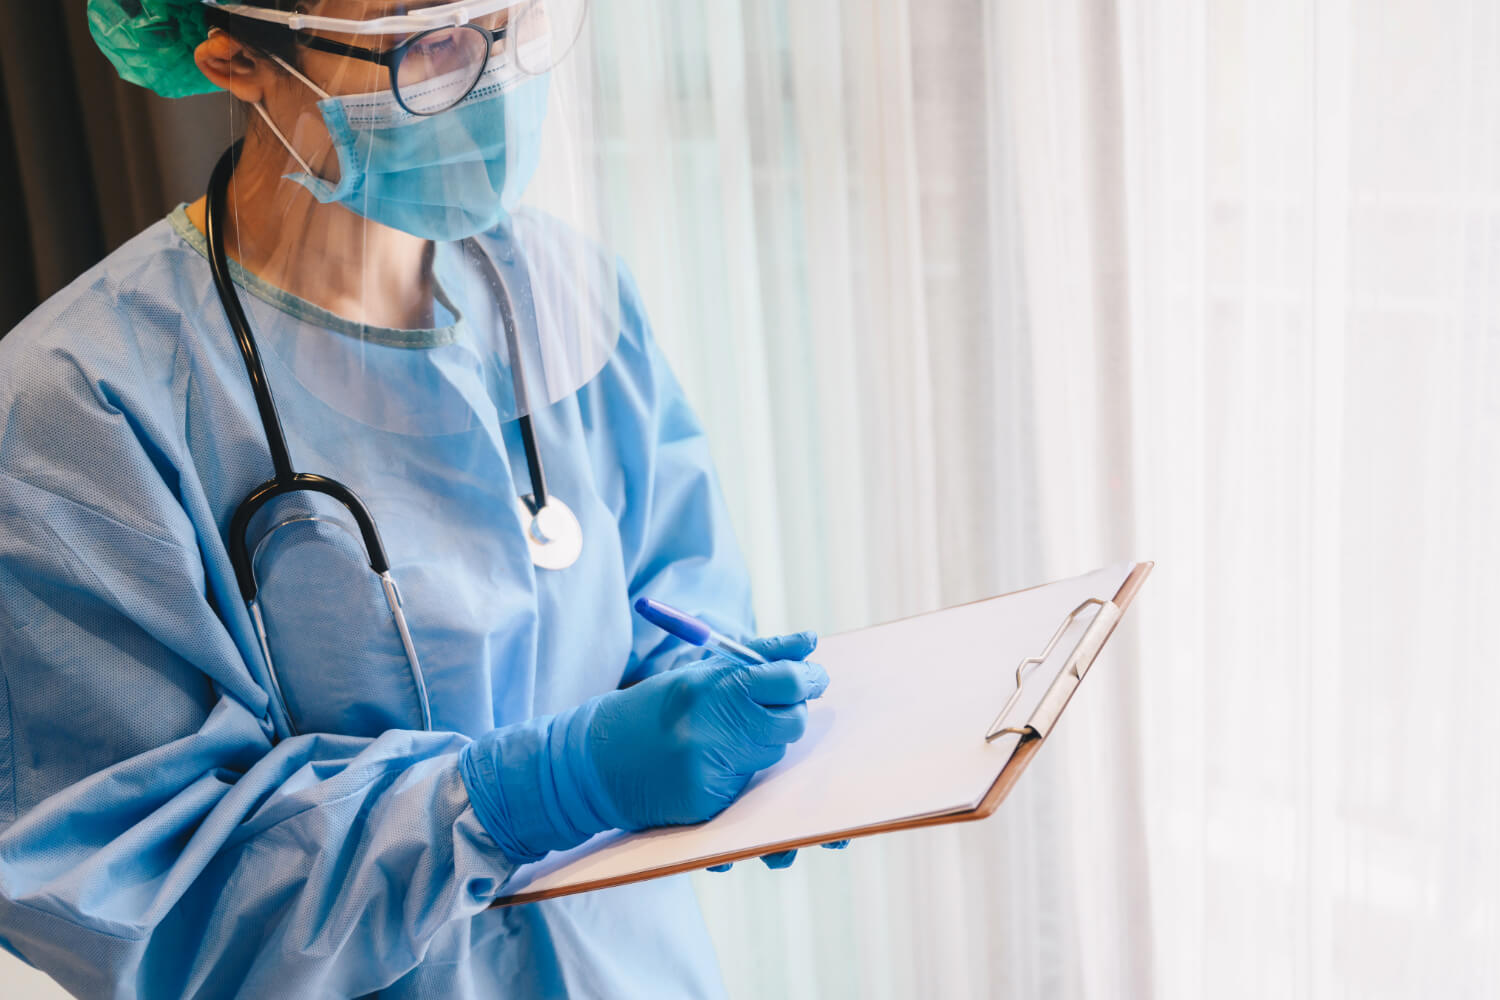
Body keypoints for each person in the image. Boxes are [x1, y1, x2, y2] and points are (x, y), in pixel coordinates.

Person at [0, 1, 840, 996]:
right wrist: (543, 788)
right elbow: (147, 887)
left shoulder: (560, 292)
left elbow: (674, 588)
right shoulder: (80, 405)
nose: (486, 78)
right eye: (420, 37)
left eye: (506, 19)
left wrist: (729, 719)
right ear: (235, 59)